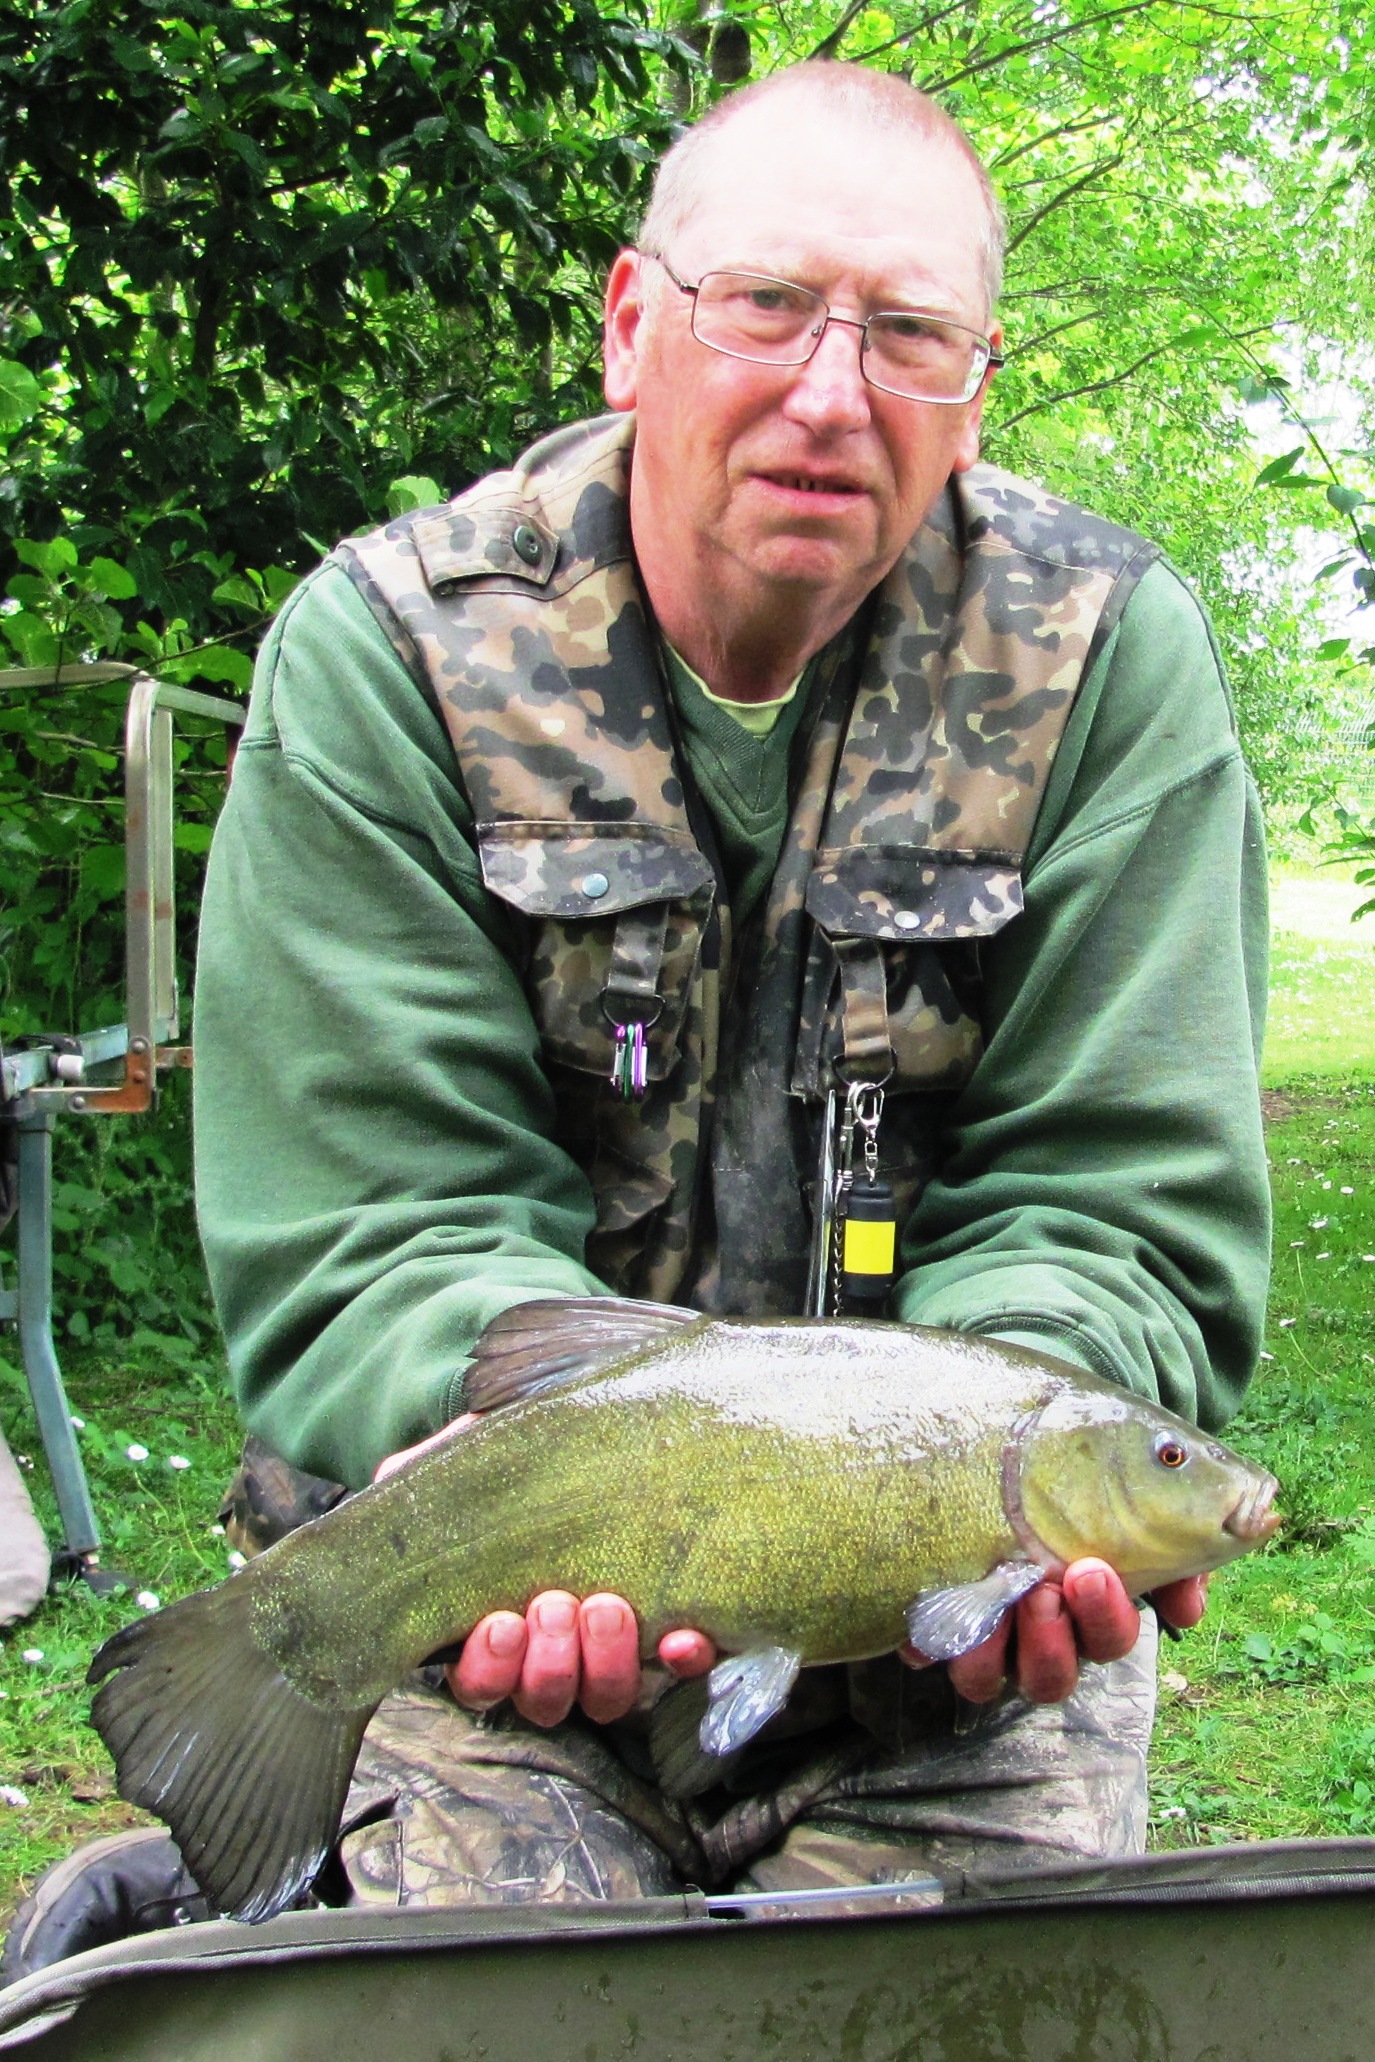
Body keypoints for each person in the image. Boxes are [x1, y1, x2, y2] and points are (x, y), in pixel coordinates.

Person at [6, 61, 1270, 1961]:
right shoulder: (392, 657)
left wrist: (1009, 1486)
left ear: (975, 387)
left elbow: (1121, 1199)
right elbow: (377, 1232)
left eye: (909, 332)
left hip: (958, 1648)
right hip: (494, 1583)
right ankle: (252, 1839)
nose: (831, 391)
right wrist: (492, 1467)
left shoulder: (1107, 659)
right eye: (764, 304)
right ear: (631, 327)